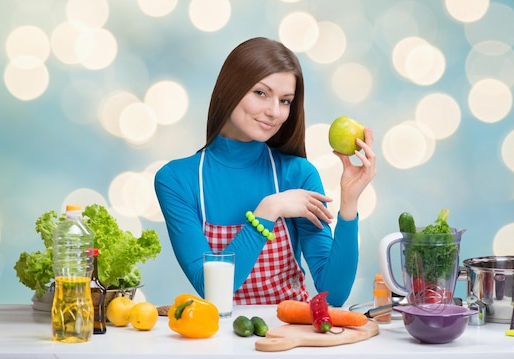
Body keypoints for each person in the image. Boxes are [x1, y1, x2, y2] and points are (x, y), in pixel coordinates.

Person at [154, 37, 376, 307]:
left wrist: (349, 203)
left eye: (285, 100)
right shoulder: (177, 180)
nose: (274, 112)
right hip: (220, 344)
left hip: (291, 338)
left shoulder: (297, 174)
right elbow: (212, 290)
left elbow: (334, 294)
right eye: (261, 93)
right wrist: (269, 210)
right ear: (229, 89)